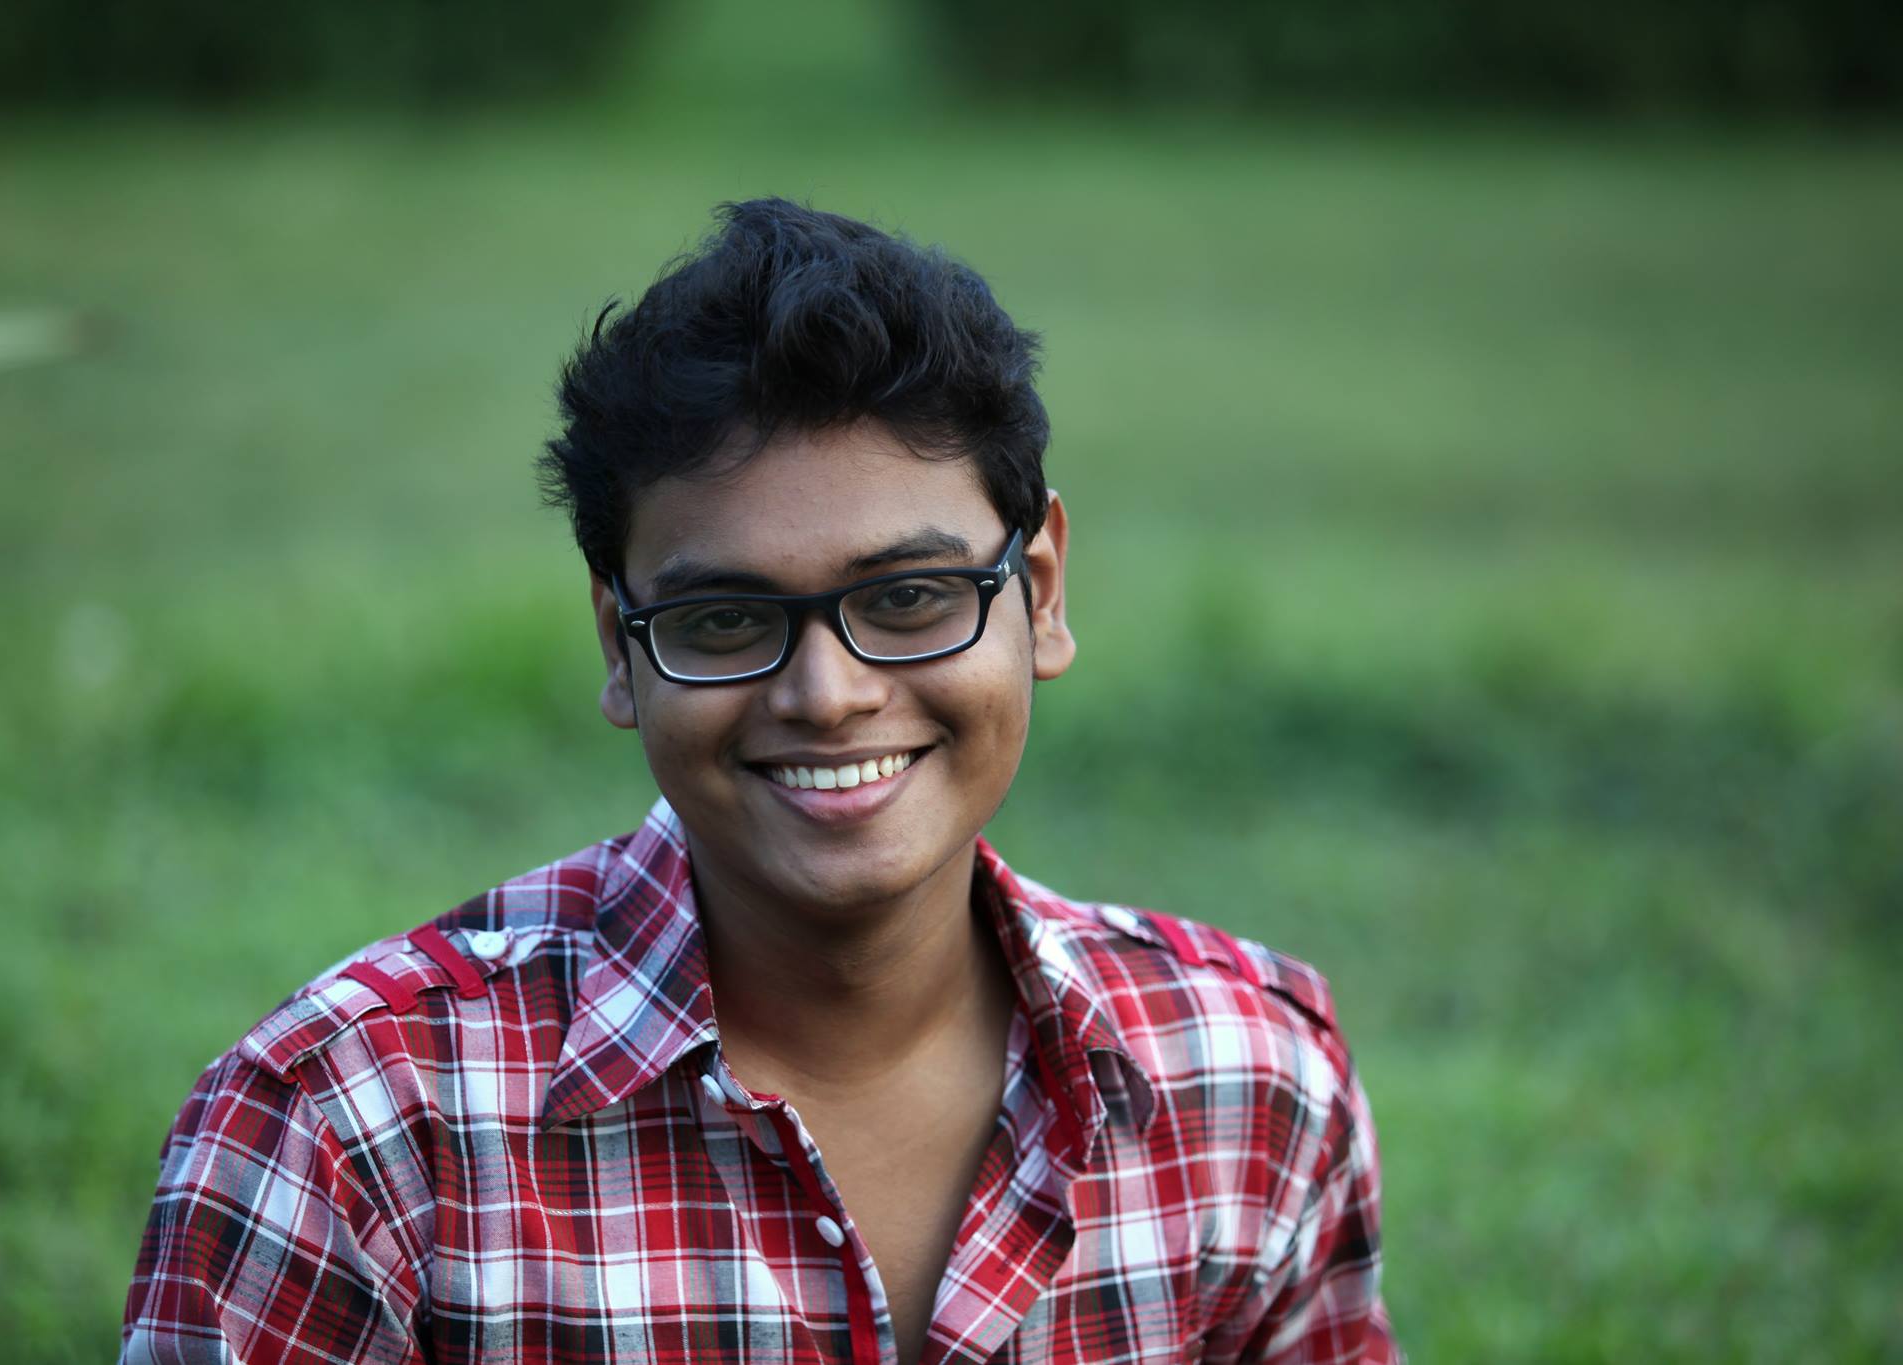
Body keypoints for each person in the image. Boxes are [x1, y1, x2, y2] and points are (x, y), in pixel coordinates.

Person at [121, 198, 1399, 1364]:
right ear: (619, 649)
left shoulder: (1248, 1082)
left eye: (909, 598)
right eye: (725, 620)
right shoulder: (352, 1129)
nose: (826, 695)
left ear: (1042, 594)